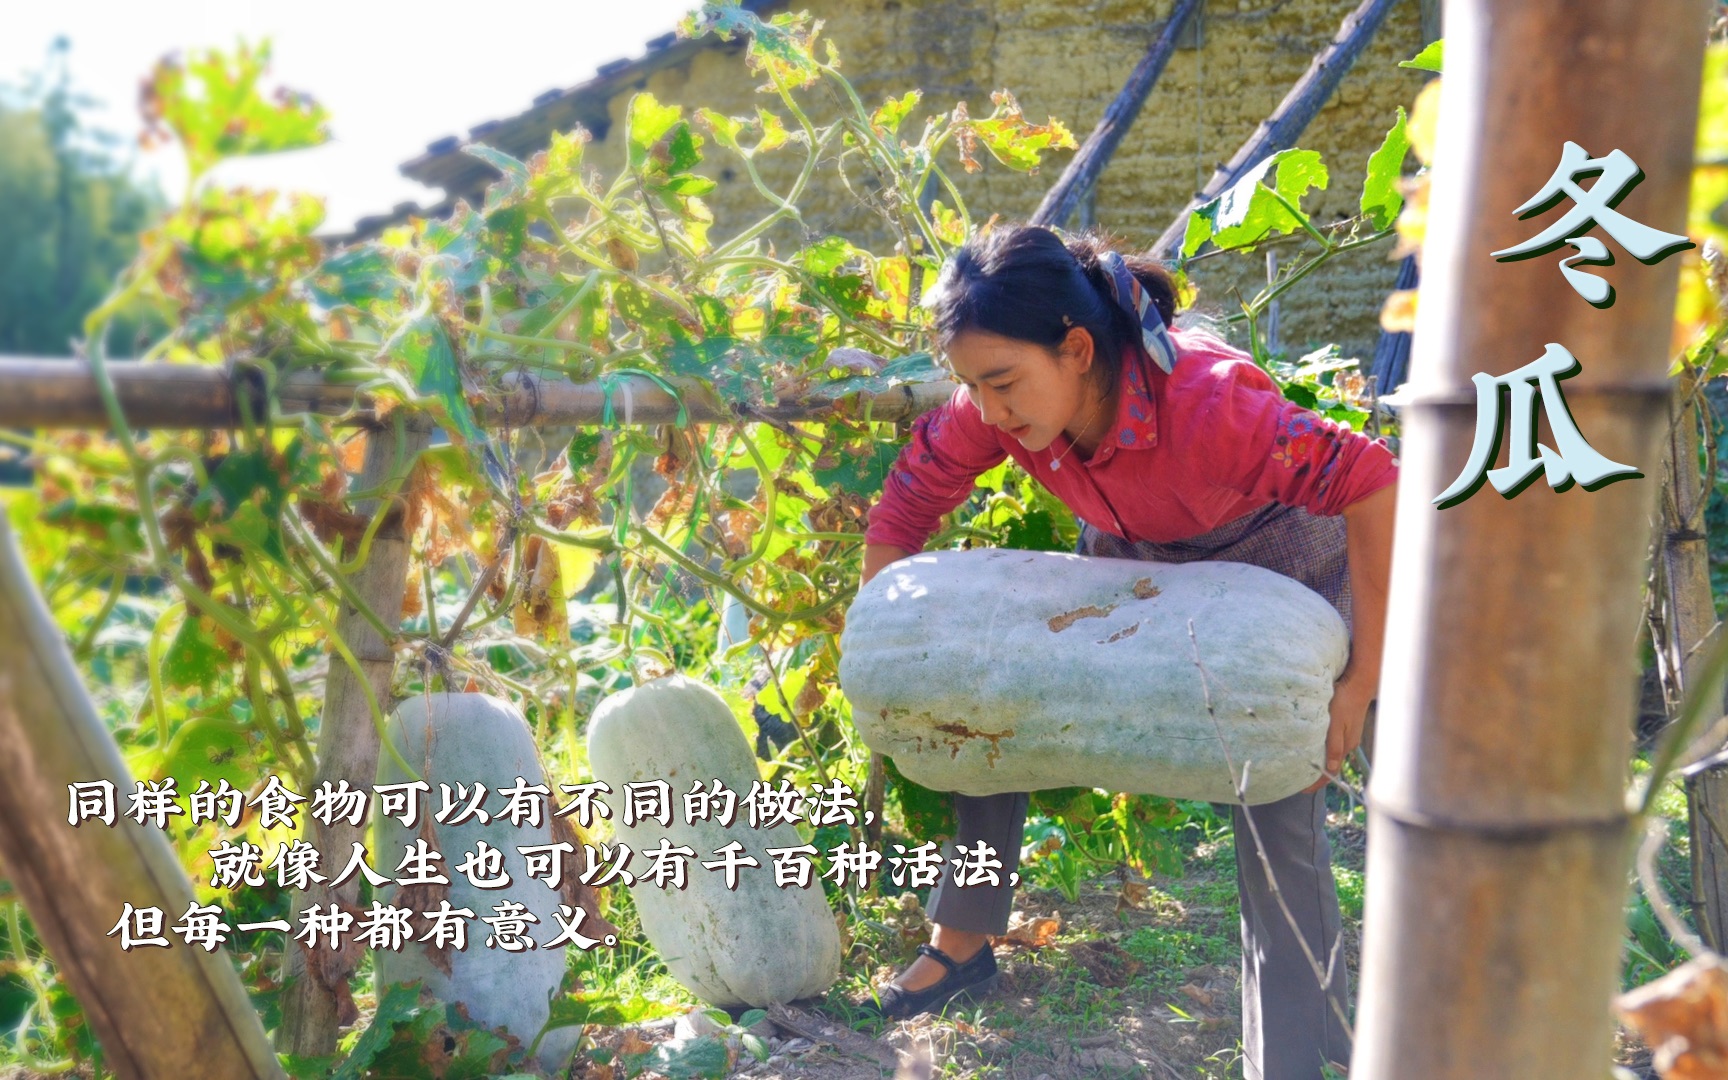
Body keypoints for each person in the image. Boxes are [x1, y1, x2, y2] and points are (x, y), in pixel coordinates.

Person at [853, 224, 1398, 1080]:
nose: (988, 411)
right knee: (978, 688)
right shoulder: (1005, 403)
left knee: (1274, 807)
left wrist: (1362, 676)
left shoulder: (1211, 408)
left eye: (1002, 382)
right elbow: (907, 502)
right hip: (1138, 560)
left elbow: (1371, 478)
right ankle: (962, 943)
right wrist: (884, 640)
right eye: (974, 387)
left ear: (1076, 349)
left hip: (1278, 569)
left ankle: (1300, 1047)